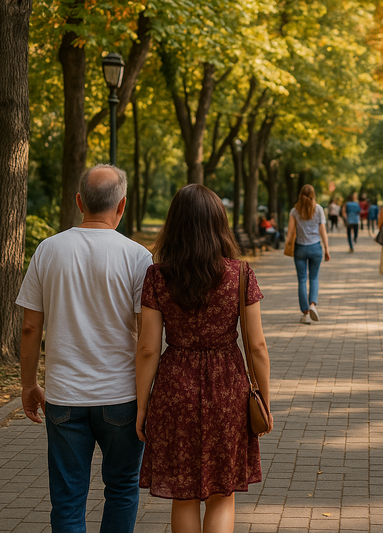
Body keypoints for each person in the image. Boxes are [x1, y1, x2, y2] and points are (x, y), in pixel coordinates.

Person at [16, 164, 153, 532]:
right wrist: (146, 398)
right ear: (122, 205)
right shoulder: (138, 257)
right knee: (122, 489)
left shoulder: (48, 250)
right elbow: (147, 339)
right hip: (121, 397)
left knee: (67, 498)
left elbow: (31, 327)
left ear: (79, 201)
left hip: (63, 398)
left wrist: (29, 385)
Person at [135, 184, 272, 533]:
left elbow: (148, 348)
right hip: (228, 387)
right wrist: (264, 400)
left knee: (184, 494)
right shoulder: (240, 274)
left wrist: (141, 405)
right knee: (221, 495)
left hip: (175, 384)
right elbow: (256, 346)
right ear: (219, 223)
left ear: (174, 224)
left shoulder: (158, 275)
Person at [289, 184, 330, 324]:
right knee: (314, 278)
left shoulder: (295, 211)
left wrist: (287, 246)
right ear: (313, 195)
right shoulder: (318, 209)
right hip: (315, 248)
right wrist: (327, 249)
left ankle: (305, 313)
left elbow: (290, 233)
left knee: (301, 280)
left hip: (300, 248)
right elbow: (323, 230)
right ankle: (313, 305)